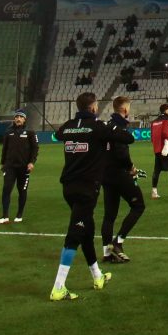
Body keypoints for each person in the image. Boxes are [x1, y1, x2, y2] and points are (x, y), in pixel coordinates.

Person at [49, 92, 120, 301]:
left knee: (87, 231)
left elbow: (58, 134)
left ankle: (97, 276)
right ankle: (58, 287)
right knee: (75, 234)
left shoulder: (68, 125)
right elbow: (126, 138)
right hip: (86, 189)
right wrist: (115, 124)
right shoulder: (97, 127)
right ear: (93, 107)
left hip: (68, 187)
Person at [101, 96, 146, 263]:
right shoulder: (118, 127)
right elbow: (121, 153)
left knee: (109, 215)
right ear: (125, 109)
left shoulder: (106, 126)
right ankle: (118, 242)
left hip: (106, 175)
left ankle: (107, 253)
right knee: (138, 205)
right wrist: (130, 168)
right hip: (119, 174)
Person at [0, 108, 39, 224]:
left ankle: (19, 214)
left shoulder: (30, 131)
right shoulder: (8, 131)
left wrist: (31, 162)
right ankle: (5, 216)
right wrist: (2, 162)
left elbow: (35, 148)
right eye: (16, 117)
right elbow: (5, 148)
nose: (18, 119)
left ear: (24, 119)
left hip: (24, 167)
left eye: (20, 117)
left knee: (22, 191)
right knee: (6, 190)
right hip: (10, 166)